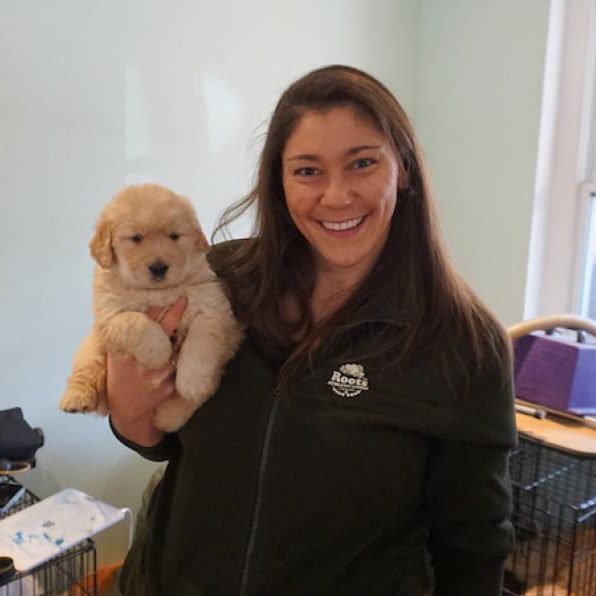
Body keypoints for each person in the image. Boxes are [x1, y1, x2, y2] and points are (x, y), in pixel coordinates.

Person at [106, 64, 516, 595]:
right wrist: (126, 412)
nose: (337, 196)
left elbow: (473, 548)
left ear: (404, 170)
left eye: (362, 163)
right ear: (279, 181)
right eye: (308, 171)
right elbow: (161, 441)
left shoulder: (463, 343)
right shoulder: (216, 281)